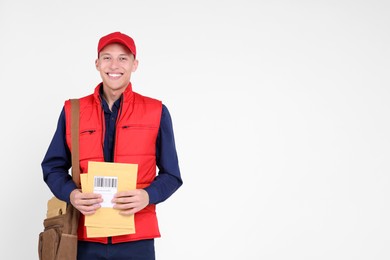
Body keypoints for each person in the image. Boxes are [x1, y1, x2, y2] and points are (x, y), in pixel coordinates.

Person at [41, 31, 183, 260]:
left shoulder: (156, 111)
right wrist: (71, 194)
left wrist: (148, 195)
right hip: (84, 237)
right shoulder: (72, 110)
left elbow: (172, 175)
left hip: (137, 239)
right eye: (107, 57)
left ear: (134, 64)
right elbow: (52, 167)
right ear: (97, 63)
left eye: (123, 58)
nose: (114, 65)